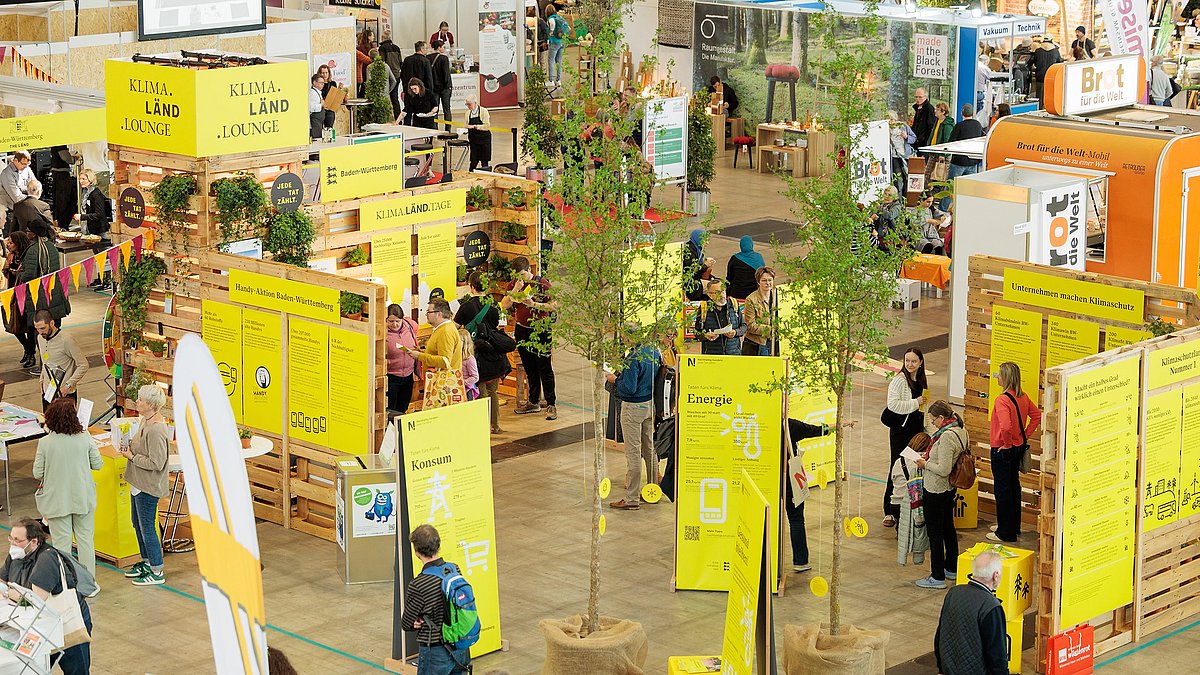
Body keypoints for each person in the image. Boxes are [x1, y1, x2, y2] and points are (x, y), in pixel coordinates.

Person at [0, 518, 93, 674]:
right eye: (11, 538)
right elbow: (2, 579)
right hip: (39, 626)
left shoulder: (47, 559)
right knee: (35, 668)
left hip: (65, 624)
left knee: (76, 670)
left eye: (17, 540)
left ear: (34, 542)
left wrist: (8, 592)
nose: (13, 544)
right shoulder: (15, 556)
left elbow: (36, 599)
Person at [34, 397, 103, 582]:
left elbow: (37, 472)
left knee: (61, 544)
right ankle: (89, 584)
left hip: (57, 500)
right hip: (83, 497)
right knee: (85, 541)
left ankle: (66, 584)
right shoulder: (85, 437)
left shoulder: (45, 443)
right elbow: (98, 464)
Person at [401, 524, 471, 674]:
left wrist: (415, 623)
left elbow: (406, 623)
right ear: (438, 545)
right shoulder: (454, 569)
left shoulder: (419, 584)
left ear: (416, 551)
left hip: (436, 651)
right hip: (460, 646)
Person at [786, 418, 854, 571]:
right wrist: (838, 425)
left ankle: (768, 562)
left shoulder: (760, 423)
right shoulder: (790, 425)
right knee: (796, 519)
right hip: (790, 478)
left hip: (766, 479)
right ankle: (800, 561)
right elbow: (816, 430)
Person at [119, 384, 170, 585]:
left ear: (150, 404)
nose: (137, 401)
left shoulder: (156, 430)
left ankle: (157, 570)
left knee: (147, 527)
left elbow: (156, 463)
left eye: (140, 399)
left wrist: (132, 457)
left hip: (148, 486)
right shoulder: (145, 421)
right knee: (137, 524)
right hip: (137, 483)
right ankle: (147, 561)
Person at [914, 400, 968, 589]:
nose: (932, 424)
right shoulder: (961, 429)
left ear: (941, 417)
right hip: (950, 489)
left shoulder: (946, 437)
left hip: (936, 488)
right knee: (948, 529)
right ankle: (951, 568)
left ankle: (937, 576)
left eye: (933, 420)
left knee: (935, 534)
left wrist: (924, 464)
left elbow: (944, 469)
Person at [988, 361, 1041, 544]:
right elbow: (1036, 416)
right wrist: (1024, 436)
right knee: (1013, 487)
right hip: (1018, 448)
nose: (997, 377)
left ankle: (1005, 532)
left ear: (1006, 378)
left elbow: (1006, 426)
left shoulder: (1001, 400)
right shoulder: (1023, 397)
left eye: (1000, 374)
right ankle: (1012, 526)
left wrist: (1008, 443)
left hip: (1003, 450)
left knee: (1002, 490)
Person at [607, 339, 661, 511]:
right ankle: (653, 490)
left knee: (633, 453)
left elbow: (629, 388)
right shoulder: (653, 351)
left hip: (633, 408)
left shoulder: (634, 357)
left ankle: (632, 498)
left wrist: (615, 380)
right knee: (649, 448)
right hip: (649, 405)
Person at [934, 551, 1009, 674]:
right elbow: (997, 656)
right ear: (995, 575)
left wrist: (941, 669)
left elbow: (940, 636)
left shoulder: (953, 593)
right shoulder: (991, 606)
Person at [504, 256, 557, 420]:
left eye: (522, 275)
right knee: (530, 368)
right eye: (517, 276)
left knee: (544, 367)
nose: (520, 279)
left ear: (529, 270)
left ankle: (550, 404)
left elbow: (554, 305)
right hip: (522, 329)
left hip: (540, 329)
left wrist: (534, 305)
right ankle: (533, 401)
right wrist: (515, 290)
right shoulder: (515, 284)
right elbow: (505, 304)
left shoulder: (542, 283)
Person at [455, 271, 509, 432]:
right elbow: (500, 326)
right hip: (493, 353)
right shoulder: (494, 305)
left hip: (475, 354)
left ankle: (482, 427)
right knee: (493, 391)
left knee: (481, 392)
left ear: (471, 287)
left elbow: (455, 328)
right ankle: (495, 425)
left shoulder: (466, 307)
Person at [884, 348, 927, 527]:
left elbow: (922, 407)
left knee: (913, 467)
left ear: (920, 363)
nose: (909, 364)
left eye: (913, 361)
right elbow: (892, 405)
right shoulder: (899, 381)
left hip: (915, 431)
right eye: (907, 361)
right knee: (897, 466)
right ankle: (889, 510)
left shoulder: (921, 380)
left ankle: (909, 505)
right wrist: (915, 403)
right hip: (900, 432)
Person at [22, 219, 70, 365]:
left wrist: (18, 274)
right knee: (55, 333)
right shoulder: (51, 247)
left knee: (41, 334)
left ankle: (45, 366)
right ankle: (56, 362)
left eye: (29, 230)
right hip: (55, 293)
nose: (26, 233)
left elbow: (29, 275)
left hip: (40, 296)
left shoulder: (33, 250)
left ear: (34, 233)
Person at [34, 309, 87, 411]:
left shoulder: (66, 340)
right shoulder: (40, 338)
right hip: (47, 392)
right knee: (48, 423)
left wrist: (68, 385)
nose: (40, 332)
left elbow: (83, 365)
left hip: (64, 394)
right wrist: (41, 380)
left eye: (43, 328)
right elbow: (46, 362)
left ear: (52, 323)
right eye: (37, 329)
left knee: (65, 426)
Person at [892, 431, 931, 568]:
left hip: (894, 504)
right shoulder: (923, 463)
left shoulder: (899, 460)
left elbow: (893, 479)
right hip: (911, 505)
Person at [942, 104, 984, 211]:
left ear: (962, 113)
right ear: (972, 113)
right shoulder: (978, 125)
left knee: (950, 188)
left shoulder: (959, 126)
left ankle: (942, 210)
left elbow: (951, 142)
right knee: (969, 188)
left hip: (958, 162)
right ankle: (966, 209)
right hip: (973, 162)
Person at [3, 232, 36, 366]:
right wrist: (6, 269)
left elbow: (27, 274)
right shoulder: (11, 256)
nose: (8, 244)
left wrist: (13, 270)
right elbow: (7, 273)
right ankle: (27, 348)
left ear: (18, 243)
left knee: (29, 327)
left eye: (11, 242)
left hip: (27, 295)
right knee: (13, 326)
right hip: (12, 294)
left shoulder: (27, 256)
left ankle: (31, 353)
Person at [695, 279, 745, 355]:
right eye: (717, 292)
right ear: (709, 294)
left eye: (723, 291)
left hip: (733, 354)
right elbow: (696, 332)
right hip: (712, 356)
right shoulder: (704, 308)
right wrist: (705, 336)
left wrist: (735, 332)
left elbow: (744, 327)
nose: (722, 295)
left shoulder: (733, 305)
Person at [410, 298, 462, 370]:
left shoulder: (445, 331)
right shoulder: (443, 328)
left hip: (444, 379)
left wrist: (420, 356)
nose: (426, 314)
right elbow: (439, 352)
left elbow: (445, 361)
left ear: (439, 314)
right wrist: (422, 352)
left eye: (429, 312)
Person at [385, 304, 419, 414]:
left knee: (403, 409)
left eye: (397, 321)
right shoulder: (383, 334)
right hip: (391, 378)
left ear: (402, 319)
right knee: (391, 410)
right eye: (391, 321)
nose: (394, 324)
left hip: (408, 377)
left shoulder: (409, 327)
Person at [741, 266, 775, 356]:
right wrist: (771, 330)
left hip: (775, 342)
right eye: (764, 280)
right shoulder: (751, 299)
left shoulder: (778, 296)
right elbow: (750, 325)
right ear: (758, 282)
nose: (768, 283)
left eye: (770, 280)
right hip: (758, 343)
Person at [0, 150, 33, 236]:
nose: (25, 166)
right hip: (10, 211)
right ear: (15, 161)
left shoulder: (27, 169)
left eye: (27, 164)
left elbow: (35, 186)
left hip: (24, 208)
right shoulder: (6, 173)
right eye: (23, 164)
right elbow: (16, 196)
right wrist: (32, 197)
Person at [725, 235, 764, 300]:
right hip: (754, 294)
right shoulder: (758, 257)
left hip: (737, 294)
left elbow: (729, 278)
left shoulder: (734, 259)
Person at [887, 110, 917, 193]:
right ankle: (899, 199)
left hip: (905, 155)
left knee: (907, 178)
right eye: (888, 120)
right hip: (895, 156)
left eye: (892, 120)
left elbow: (914, 138)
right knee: (897, 179)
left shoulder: (903, 126)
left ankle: (905, 198)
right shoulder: (885, 129)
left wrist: (906, 137)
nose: (890, 122)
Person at [49, 146, 76, 231]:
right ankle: (62, 226)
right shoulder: (60, 144)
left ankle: (60, 225)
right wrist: (75, 158)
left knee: (60, 201)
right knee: (65, 201)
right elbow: (66, 158)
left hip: (57, 173)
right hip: (62, 174)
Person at [428, 39, 453, 130]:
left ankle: (434, 129)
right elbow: (446, 74)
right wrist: (448, 86)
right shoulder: (444, 58)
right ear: (439, 47)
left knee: (434, 110)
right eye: (443, 47)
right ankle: (448, 129)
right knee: (447, 109)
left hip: (433, 88)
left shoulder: (428, 58)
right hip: (444, 88)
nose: (444, 49)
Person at [1030, 37, 1063, 106]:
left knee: (1039, 96)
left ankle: (1039, 108)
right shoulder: (1055, 51)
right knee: (1050, 95)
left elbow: (1034, 62)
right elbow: (1059, 62)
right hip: (1051, 77)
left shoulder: (1038, 51)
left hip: (1039, 77)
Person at [682, 229, 713, 301]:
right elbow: (693, 271)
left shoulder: (696, 249)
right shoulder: (688, 252)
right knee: (716, 288)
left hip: (696, 279)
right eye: (705, 241)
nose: (707, 243)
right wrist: (705, 265)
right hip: (691, 282)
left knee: (719, 282)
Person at [464, 96, 493, 171]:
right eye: (467, 104)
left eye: (469, 104)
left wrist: (475, 126)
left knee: (484, 160)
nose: (468, 106)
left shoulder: (484, 111)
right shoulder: (467, 113)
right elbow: (467, 125)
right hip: (473, 139)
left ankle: (485, 175)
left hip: (484, 139)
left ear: (475, 103)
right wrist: (465, 130)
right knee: (474, 160)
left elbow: (487, 126)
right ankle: (470, 174)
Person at [379, 31, 405, 115]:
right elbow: (401, 62)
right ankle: (398, 117)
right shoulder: (397, 48)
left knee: (385, 96)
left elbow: (382, 62)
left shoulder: (382, 48)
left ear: (383, 38)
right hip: (397, 75)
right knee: (395, 97)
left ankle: (385, 116)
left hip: (387, 76)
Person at [546, 5, 568, 87]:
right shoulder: (559, 17)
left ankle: (551, 80)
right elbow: (568, 27)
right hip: (562, 42)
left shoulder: (551, 18)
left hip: (554, 42)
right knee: (559, 61)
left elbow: (552, 23)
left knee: (551, 60)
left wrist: (551, 31)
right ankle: (558, 80)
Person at [459, 328, 480, 400]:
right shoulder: (456, 357)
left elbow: (475, 377)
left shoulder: (469, 359)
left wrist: (462, 382)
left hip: (467, 390)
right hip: (457, 389)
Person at [309, 73, 325, 140]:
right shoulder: (312, 93)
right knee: (316, 139)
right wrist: (321, 104)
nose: (323, 85)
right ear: (314, 82)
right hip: (315, 120)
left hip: (319, 121)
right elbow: (311, 108)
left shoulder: (318, 92)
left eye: (323, 83)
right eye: (321, 83)